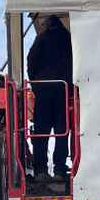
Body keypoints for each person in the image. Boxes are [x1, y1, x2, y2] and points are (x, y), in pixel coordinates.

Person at [26, 14, 73, 181]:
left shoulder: (41, 39)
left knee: (41, 133)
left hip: (44, 91)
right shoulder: (69, 40)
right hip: (63, 91)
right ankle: (60, 170)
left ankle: (40, 171)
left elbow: (31, 62)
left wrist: (36, 85)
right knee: (63, 132)